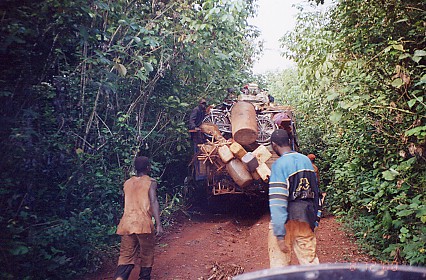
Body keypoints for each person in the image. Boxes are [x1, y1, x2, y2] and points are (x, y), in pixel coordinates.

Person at [268, 129, 322, 267]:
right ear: (289, 142)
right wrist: (315, 221)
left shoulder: (279, 165)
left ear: (274, 145)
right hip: (305, 218)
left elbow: (278, 201)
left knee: (280, 268)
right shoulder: (306, 161)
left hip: (286, 221)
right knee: (311, 265)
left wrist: (279, 234)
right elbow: (316, 193)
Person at [113, 156, 164, 280]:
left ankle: (120, 278)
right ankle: (144, 278)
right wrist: (158, 224)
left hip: (127, 223)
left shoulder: (127, 183)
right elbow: (153, 201)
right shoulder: (151, 182)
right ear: (148, 168)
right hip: (143, 224)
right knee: (146, 254)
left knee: (126, 255)